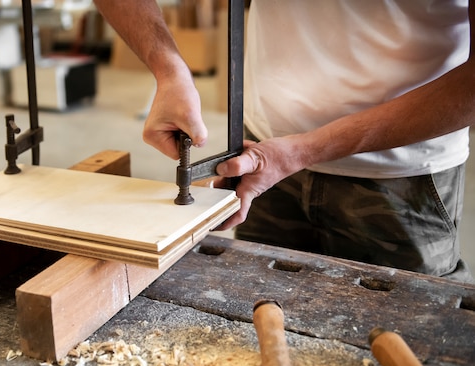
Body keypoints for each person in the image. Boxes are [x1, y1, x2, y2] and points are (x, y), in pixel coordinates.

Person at [93, 0, 475, 283]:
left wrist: (304, 149)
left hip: (401, 175)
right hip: (265, 160)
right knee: (262, 307)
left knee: (410, 338)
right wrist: (168, 67)